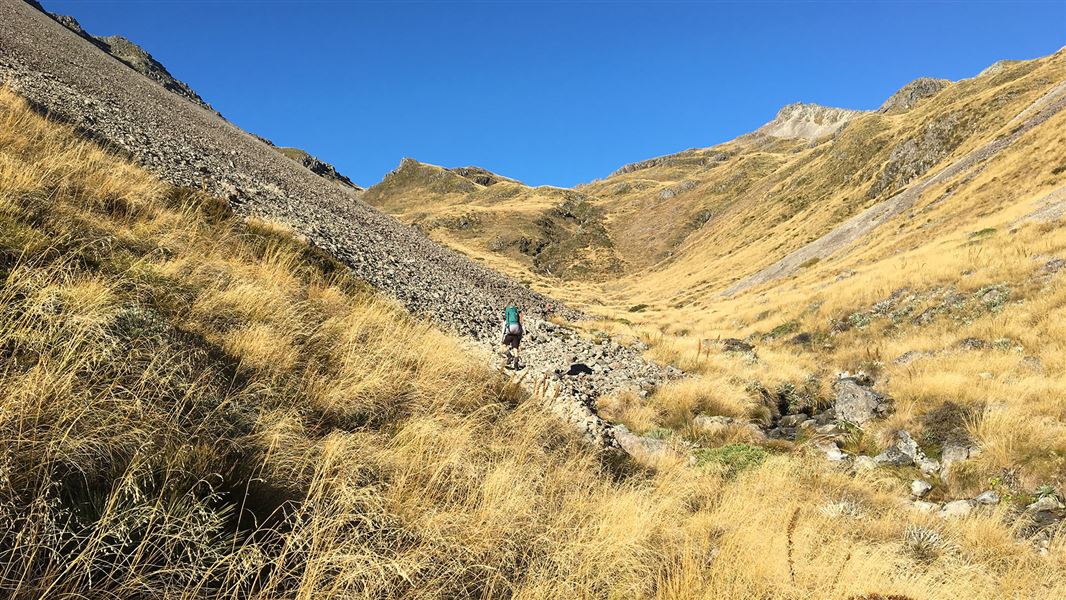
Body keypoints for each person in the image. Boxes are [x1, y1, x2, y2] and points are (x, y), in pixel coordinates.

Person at [501, 303, 524, 369]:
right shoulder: (517, 320)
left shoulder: (506, 322)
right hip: (517, 333)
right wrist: (520, 337)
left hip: (510, 332)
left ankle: (510, 356)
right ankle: (516, 365)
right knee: (515, 349)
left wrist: (501, 339)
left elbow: (503, 331)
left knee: (503, 347)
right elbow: (521, 328)